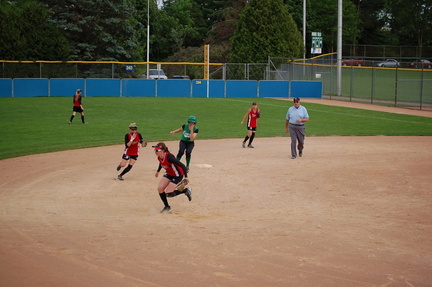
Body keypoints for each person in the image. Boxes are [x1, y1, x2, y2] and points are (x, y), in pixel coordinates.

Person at [153, 142, 192, 213]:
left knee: (169, 194)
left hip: (177, 175)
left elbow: (182, 166)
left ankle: (185, 190)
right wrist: (158, 171)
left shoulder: (169, 157)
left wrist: (186, 177)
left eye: (157, 150)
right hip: (169, 173)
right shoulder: (159, 157)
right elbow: (161, 163)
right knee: (160, 188)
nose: (155, 152)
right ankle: (167, 207)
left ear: (162, 150)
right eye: (155, 150)